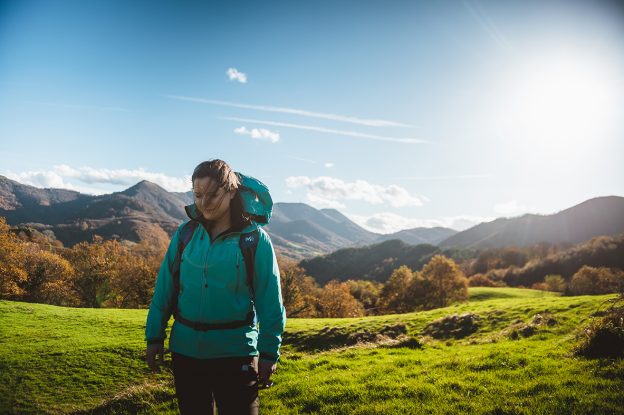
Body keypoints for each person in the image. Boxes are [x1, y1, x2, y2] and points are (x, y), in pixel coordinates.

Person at [145, 159, 286, 415]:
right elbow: (165, 288)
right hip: (185, 353)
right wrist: (154, 336)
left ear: (231, 192)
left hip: (237, 354)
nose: (204, 203)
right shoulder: (185, 234)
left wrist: (268, 354)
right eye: (198, 195)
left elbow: (270, 302)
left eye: (213, 195)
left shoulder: (254, 241)